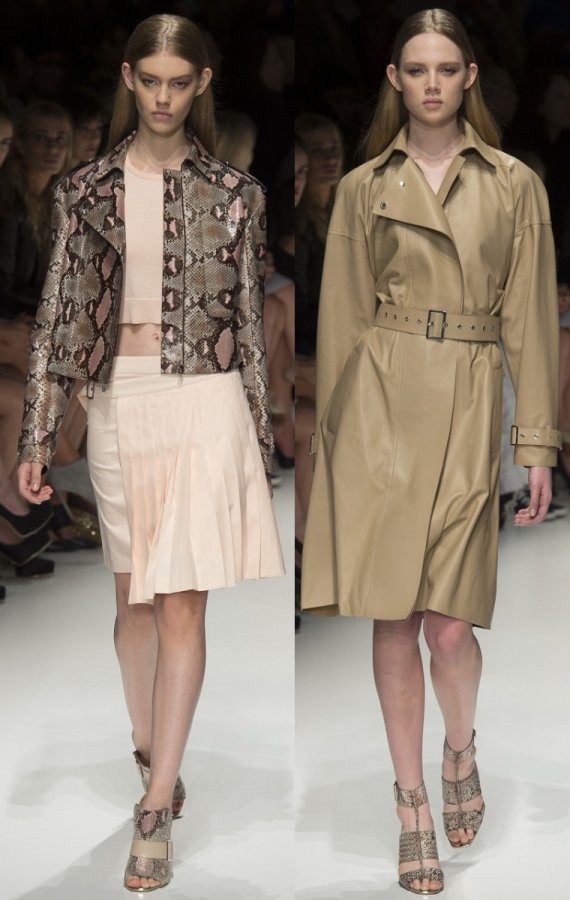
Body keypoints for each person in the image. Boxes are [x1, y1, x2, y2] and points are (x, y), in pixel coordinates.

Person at [17, 13, 284, 893]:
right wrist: (36, 434)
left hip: (205, 400)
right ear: (130, 78)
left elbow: (248, 323)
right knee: (134, 600)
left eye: (180, 82)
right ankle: (147, 743)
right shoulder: (85, 189)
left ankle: (157, 802)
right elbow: (58, 315)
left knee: (182, 605)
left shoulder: (237, 193)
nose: (164, 97)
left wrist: (257, 439)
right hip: (119, 401)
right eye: (151, 81)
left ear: (201, 84)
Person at [301, 8, 560, 895]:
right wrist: (329, 447)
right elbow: (342, 318)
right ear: (395, 79)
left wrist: (537, 443)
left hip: (471, 395)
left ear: (471, 76)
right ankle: (411, 803)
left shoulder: (515, 185)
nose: (433, 83)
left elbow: (531, 321)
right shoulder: (363, 187)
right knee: (394, 616)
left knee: (450, 627)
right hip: (381, 399)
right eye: (417, 69)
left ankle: (459, 749)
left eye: (447, 68)